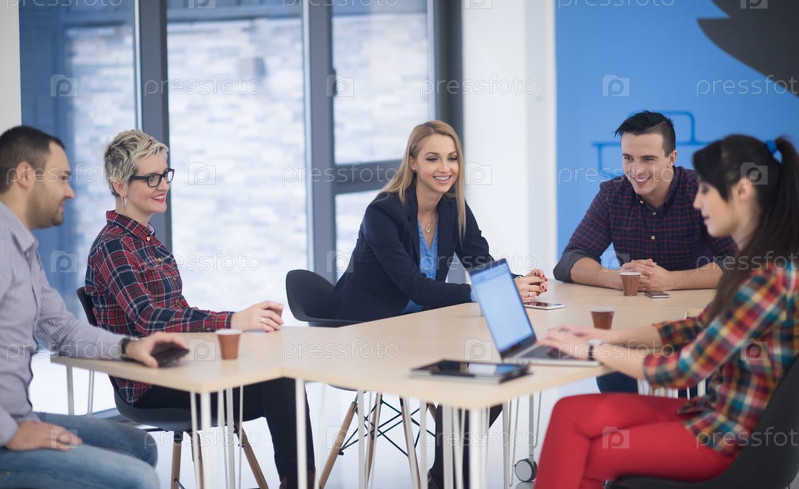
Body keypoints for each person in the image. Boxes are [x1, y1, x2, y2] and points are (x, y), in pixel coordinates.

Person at [535, 134, 799, 488]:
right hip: (710, 414)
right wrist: (609, 335)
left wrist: (595, 350)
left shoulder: (766, 279)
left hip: (722, 438)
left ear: (741, 192)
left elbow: (683, 370)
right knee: (568, 412)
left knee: (590, 454)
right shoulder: (758, 266)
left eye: (707, 191)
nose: (698, 202)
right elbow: (696, 327)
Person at [84, 129, 314, 489]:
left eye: (165, 174)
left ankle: (299, 482)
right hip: (151, 384)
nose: (163, 185)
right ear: (120, 185)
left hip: (181, 366)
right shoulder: (113, 247)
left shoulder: (150, 244)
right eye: (151, 178)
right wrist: (232, 319)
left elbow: (179, 311)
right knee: (279, 385)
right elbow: (147, 319)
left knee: (282, 377)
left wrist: (235, 329)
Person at [327, 120, 548, 488]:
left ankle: (443, 475)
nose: (445, 168)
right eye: (433, 159)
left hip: (421, 328)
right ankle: (448, 478)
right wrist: (485, 293)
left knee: (492, 380)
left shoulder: (453, 208)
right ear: (413, 162)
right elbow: (416, 287)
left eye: (452, 158)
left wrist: (519, 282)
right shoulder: (382, 213)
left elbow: (480, 262)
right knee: (458, 382)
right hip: (368, 331)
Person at [0, 125, 188, 489]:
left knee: (140, 447)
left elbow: (63, 330)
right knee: (139, 479)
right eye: (62, 178)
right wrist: (9, 432)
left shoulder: (23, 250)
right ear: (24, 176)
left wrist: (129, 347)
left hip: (20, 416)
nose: (70, 192)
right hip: (7, 429)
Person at [554, 110, 737, 393]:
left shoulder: (701, 192)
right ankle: (630, 416)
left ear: (672, 158)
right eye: (628, 158)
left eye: (648, 159)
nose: (636, 170)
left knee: (695, 392)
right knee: (613, 377)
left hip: (691, 327)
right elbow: (570, 261)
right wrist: (616, 278)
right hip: (630, 325)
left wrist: (670, 280)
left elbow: (737, 265)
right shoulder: (612, 194)